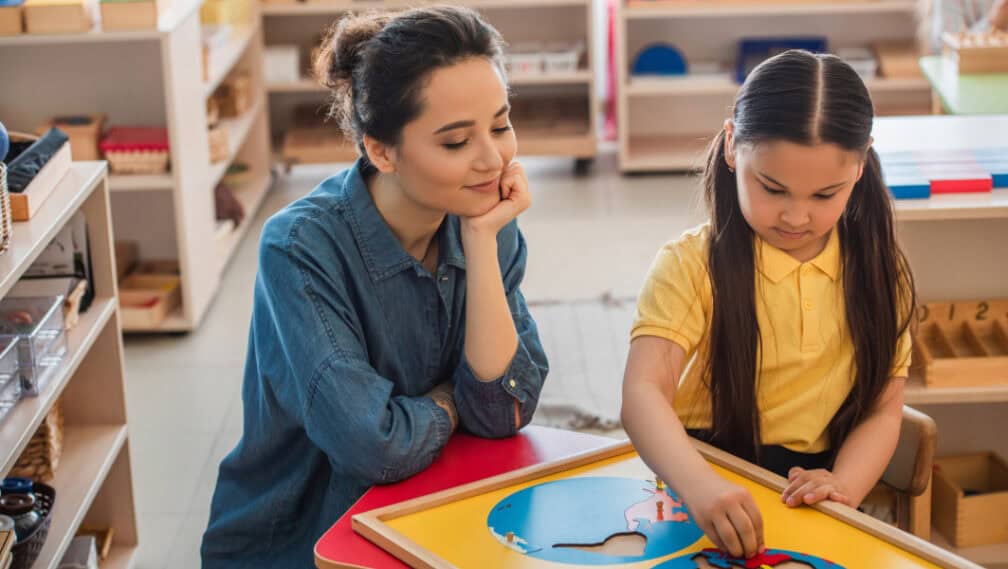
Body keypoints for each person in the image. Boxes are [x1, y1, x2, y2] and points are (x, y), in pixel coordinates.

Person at [201, 6, 548, 566]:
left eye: (501, 124)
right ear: (380, 150)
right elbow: (374, 447)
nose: (494, 158)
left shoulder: (487, 219)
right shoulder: (299, 247)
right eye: (457, 142)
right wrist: (452, 402)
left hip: (433, 518)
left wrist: (482, 244)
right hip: (301, 542)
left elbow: (505, 409)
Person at [620, 50, 916, 560]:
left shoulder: (877, 271)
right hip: (700, 483)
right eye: (772, 188)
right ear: (733, 145)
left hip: (812, 495)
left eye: (825, 195)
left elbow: (883, 411)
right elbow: (642, 393)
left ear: (861, 165)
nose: (796, 216)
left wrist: (842, 486)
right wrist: (701, 486)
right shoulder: (690, 265)